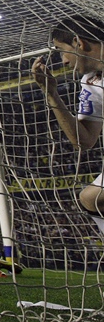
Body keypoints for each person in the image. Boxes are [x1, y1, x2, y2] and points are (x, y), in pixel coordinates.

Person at [31, 15, 104, 234]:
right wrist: (51, 94)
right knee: (91, 198)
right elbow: (83, 141)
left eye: (62, 50)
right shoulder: (92, 82)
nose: (63, 60)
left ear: (78, 43)